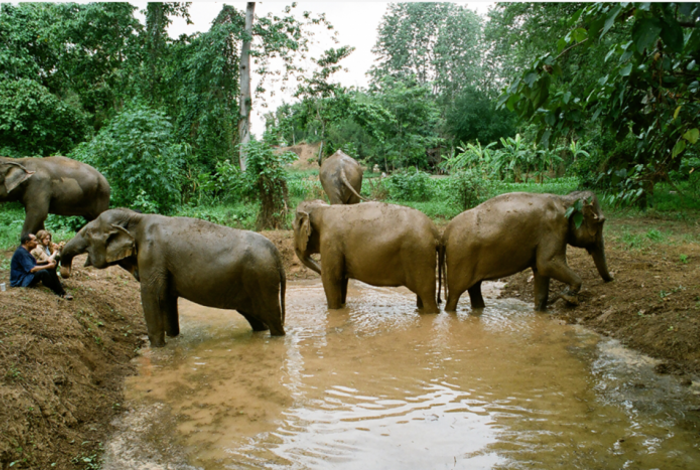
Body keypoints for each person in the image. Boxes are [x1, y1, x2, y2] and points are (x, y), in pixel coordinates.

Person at [10, 233, 73, 300]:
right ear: (27, 242)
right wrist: (48, 266)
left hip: (26, 274)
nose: (36, 243)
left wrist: (46, 261)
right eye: (34, 240)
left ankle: (60, 290)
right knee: (44, 272)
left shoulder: (24, 251)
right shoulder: (21, 253)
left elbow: (34, 262)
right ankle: (59, 292)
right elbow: (32, 269)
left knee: (49, 269)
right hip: (21, 279)